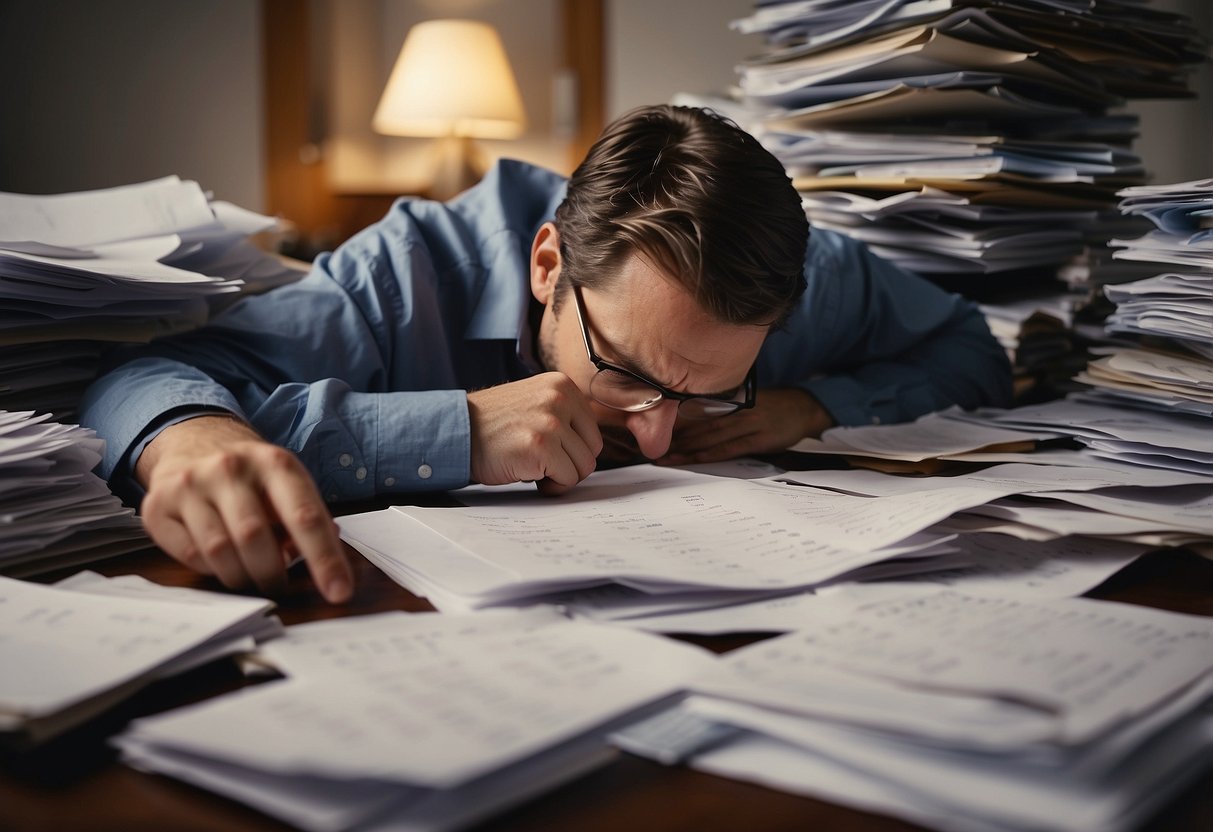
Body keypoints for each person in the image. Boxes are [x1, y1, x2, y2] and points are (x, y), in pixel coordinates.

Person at [81, 105, 1012, 604]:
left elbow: (970, 348)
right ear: (546, 263)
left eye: (710, 392)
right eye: (626, 375)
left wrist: (816, 402)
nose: (655, 444)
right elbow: (140, 382)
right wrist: (450, 429)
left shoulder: (805, 274)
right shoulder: (407, 273)